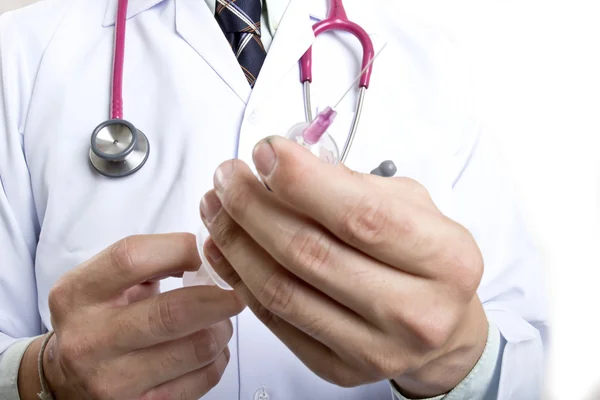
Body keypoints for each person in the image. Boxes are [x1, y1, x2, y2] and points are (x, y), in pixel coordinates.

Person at [0, 0, 549, 399]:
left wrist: (454, 360)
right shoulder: (21, 55)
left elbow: (531, 359)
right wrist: (42, 378)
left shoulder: (430, 60)